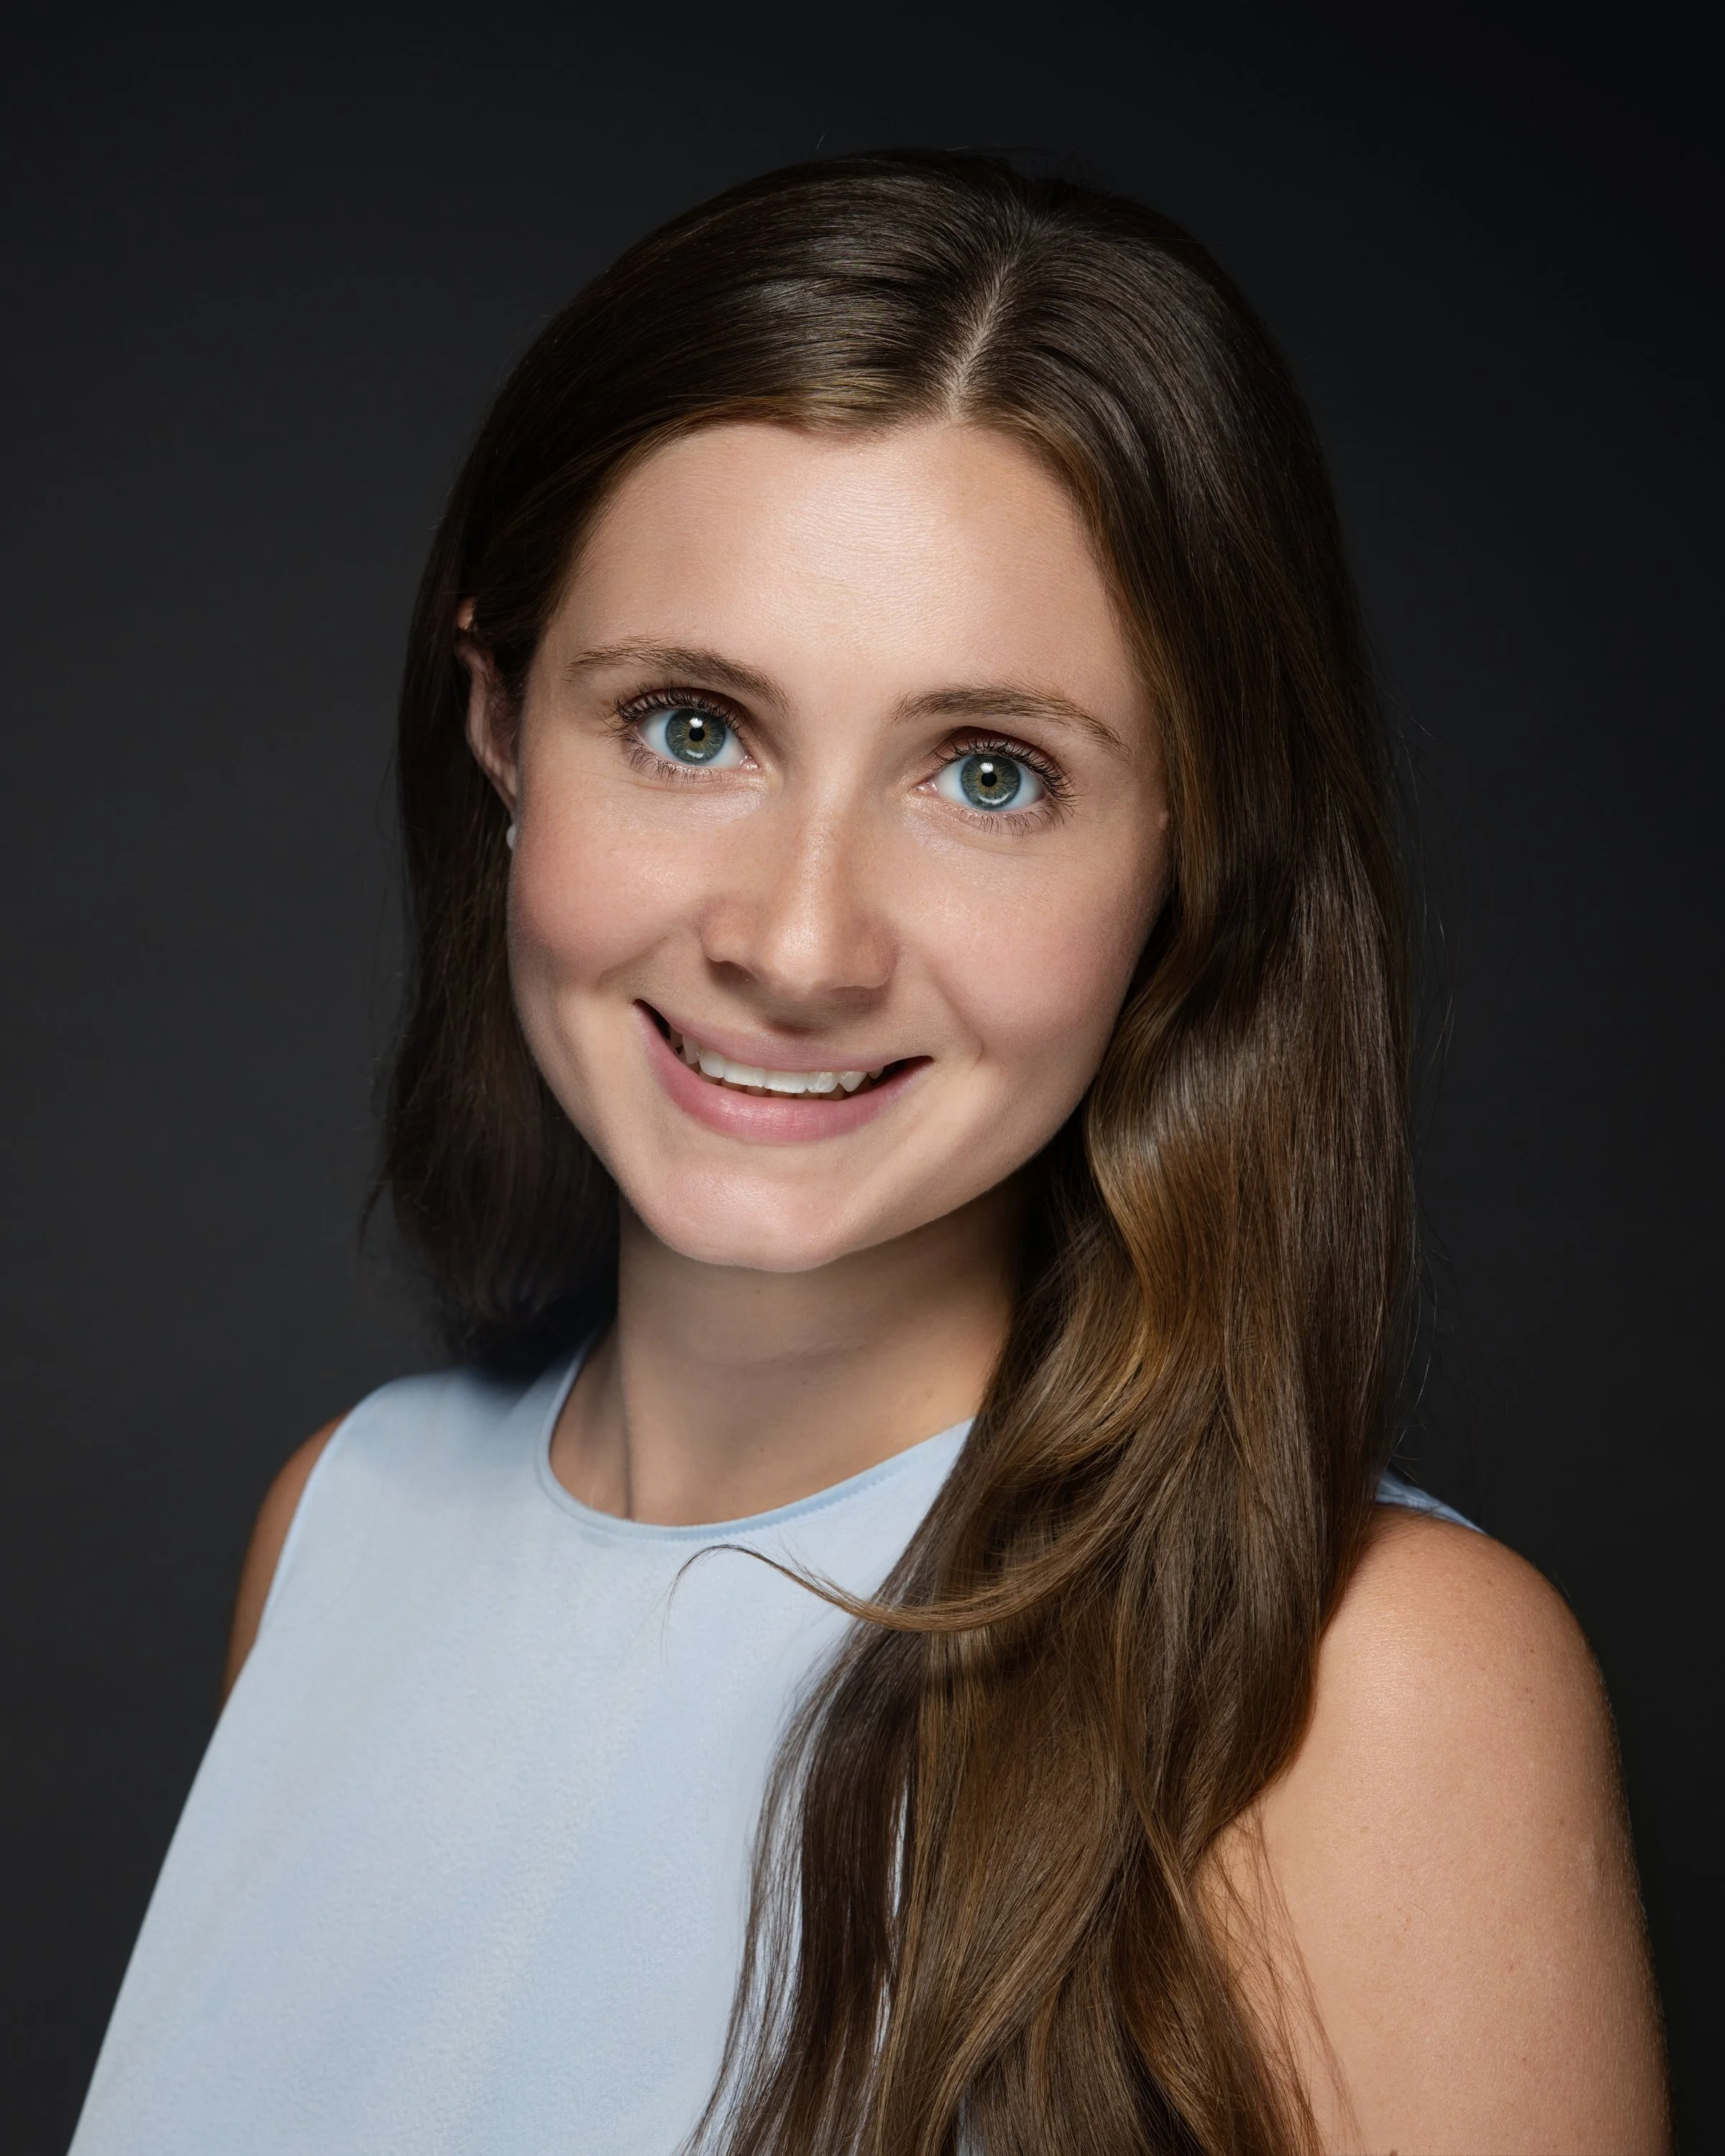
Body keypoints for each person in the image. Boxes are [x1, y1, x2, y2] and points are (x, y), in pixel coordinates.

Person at [69, 152, 1668, 2155]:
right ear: (498, 724)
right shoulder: (340, 1528)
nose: (801, 943)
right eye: (690, 727)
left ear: (1192, 854)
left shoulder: (1370, 1693)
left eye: (989, 774)